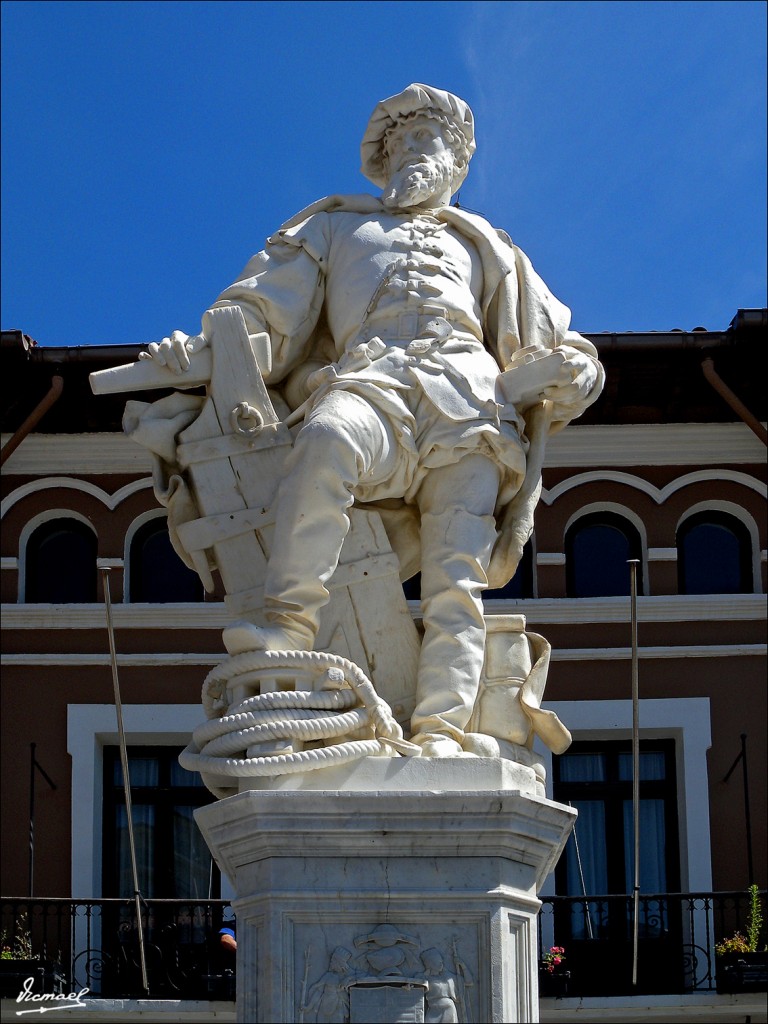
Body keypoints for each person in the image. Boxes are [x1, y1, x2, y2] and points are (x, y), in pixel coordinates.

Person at [143, 83, 603, 757]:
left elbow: (563, 350)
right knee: (326, 437)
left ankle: (443, 728)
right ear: (382, 161)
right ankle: (287, 626)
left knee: (457, 573)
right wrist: (204, 353)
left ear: (456, 161)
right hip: (374, 379)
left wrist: (575, 374)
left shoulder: (491, 250)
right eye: (402, 142)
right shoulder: (333, 227)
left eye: (430, 141)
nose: (415, 152)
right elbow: (264, 321)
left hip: (472, 402)